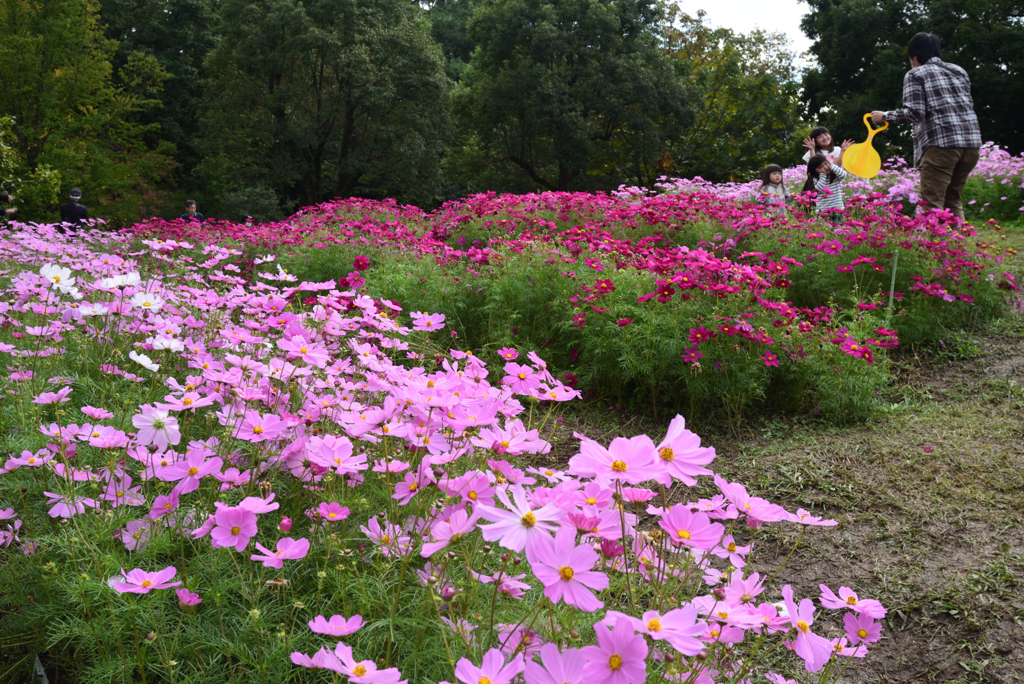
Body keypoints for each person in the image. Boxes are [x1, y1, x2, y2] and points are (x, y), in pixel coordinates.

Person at [871, 32, 981, 222]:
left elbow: (915, 113)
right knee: (952, 198)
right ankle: (959, 240)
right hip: (971, 144)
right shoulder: (959, 71)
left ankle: (934, 241)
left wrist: (885, 116)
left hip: (941, 145)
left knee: (931, 202)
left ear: (914, 57)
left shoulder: (916, 73)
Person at [802, 154, 849, 222]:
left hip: (837, 210)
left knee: (836, 227)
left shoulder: (835, 175)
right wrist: (822, 174)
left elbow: (843, 174)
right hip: (823, 211)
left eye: (826, 164)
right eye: (820, 167)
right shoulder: (816, 178)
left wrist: (831, 165)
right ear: (815, 170)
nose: (825, 167)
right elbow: (821, 189)